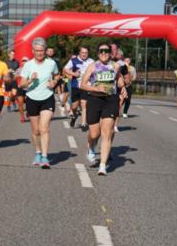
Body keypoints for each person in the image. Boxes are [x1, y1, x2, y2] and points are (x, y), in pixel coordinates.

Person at [79, 44, 124, 176]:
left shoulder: (115, 66)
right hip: (95, 100)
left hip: (110, 100)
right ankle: (91, 147)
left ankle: (102, 165)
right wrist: (96, 89)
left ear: (110, 53)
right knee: (94, 134)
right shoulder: (92, 66)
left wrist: (123, 88)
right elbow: (83, 85)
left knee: (107, 133)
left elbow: (120, 81)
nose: (104, 53)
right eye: (101, 51)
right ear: (98, 53)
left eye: (106, 51)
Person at [18, 38, 61, 168]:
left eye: (41, 51)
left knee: (44, 128)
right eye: (37, 51)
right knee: (36, 130)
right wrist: (30, 80)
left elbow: (57, 75)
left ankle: (45, 157)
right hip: (32, 98)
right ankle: (38, 151)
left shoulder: (51, 63)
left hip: (47, 97)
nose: (39, 53)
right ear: (33, 51)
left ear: (45, 50)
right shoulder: (28, 65)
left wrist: (54, 82)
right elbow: (21, 84)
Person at [64, 46, 93, 130]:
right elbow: (65, 69)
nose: (84, 54)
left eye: (86, 53)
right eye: (82, 52)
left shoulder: (91, 61)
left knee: (84, 104)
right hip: (76, 86)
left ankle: (83, 123)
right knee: (74, 106)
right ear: (79, 53)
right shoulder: (73, 60)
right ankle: (74, 115)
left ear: (88, 53)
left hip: (86, 85)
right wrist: (73, 73)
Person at [47, 46, 68, 116]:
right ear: (46, 51)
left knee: (51, 94)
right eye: (49, 51)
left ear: (53, 52)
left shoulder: (56, 61)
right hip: (45, 80)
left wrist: (59, 77)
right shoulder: (42, 59)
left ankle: (50, 109)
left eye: (51, 51)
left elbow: (60, 70)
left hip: (54, 80)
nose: (50, 52)